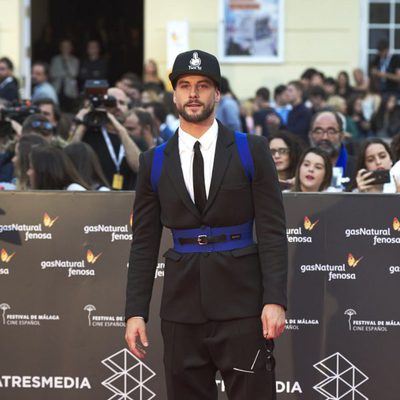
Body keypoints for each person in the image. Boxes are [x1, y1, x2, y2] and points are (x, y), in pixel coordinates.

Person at [125, 49, 287, 400]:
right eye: (184, 85)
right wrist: (135, 312)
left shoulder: (251, 150)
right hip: (181, 309)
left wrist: (275, 300)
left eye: (202, 85)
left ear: (217, 93)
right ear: (174, 94)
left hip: (243, 306)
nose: (193, 93)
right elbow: (143, 243)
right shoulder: (153, 162)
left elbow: (273, 231)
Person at [72, 87, 141, 190]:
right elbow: (71, 155)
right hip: (96, 199)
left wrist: (121, 131)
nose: (117, 106)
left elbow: (139, 167)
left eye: (122, 103)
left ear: (128, 109)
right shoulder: (89, 135)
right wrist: (86, 119)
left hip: (128, 201)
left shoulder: (136, 140)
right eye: (111, 102)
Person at [309, 110, 357, 189]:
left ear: (342, 135)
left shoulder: (357, 168)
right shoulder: (299, 168)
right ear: (310, 135)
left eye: (331, 131)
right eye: (318, 131)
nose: (325, 137)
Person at [49, 39, 80, 112]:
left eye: (67, 47)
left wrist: (67, 61)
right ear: (60, 48)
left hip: (70, 91)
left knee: (69, 111)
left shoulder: (75, 60)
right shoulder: (55, 59)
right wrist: (65, 74)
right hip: (57, 89)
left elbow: (74, 74)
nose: (65, 49)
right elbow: (52, 74)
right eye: (64, 47)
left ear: (71, 48)